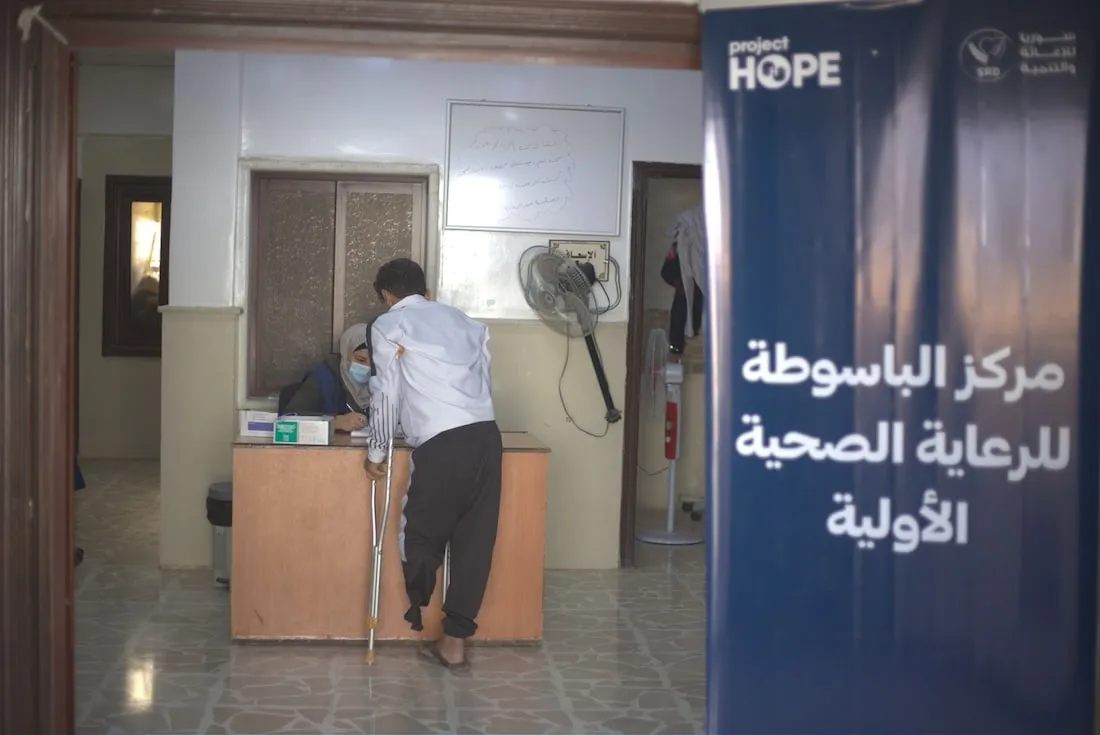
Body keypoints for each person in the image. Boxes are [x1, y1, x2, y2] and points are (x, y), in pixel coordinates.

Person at [364, 258, 501, 671]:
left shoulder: (390, 325)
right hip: (486, 437)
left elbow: (385, 392)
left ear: (387, 296)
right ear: (426, 292)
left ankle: (417, 612)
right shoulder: (465, 321)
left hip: (442, 444)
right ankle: (454, 644)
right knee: (474, 543)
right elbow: (485, 378)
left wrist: (377, 452)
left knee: (420, 532)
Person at [280, 323, 373, 433]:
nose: (368, 367)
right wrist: (337, 422)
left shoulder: (385, 381)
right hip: (326, 448)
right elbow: (288, 419)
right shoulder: (323, 378)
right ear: (346, 354)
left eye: (375, 362)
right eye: (360, 360)